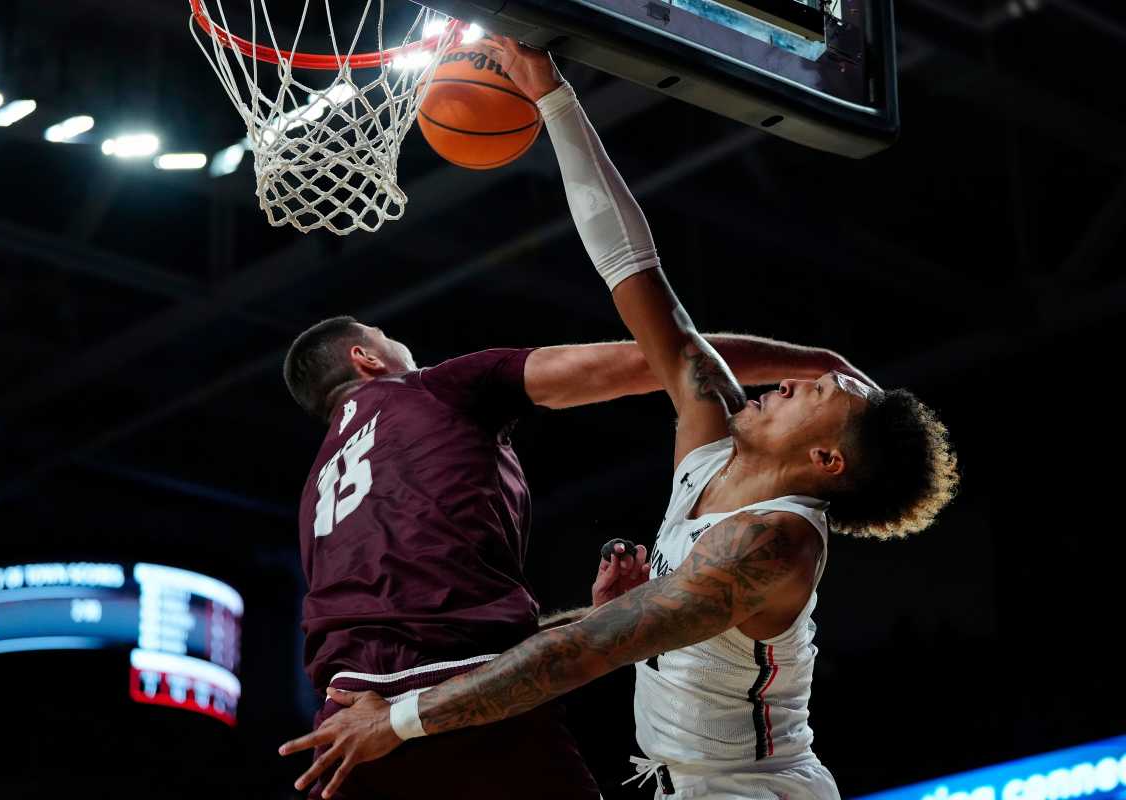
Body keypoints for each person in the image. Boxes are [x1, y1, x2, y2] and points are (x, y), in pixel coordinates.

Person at [279, 38, 959, 800]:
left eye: (818, 394)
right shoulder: (711, 450)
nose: (798, 383)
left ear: (827, 461)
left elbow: (587, 654)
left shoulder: (774, 540)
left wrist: (398, 720)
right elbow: (634, 270)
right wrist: (551, 94)